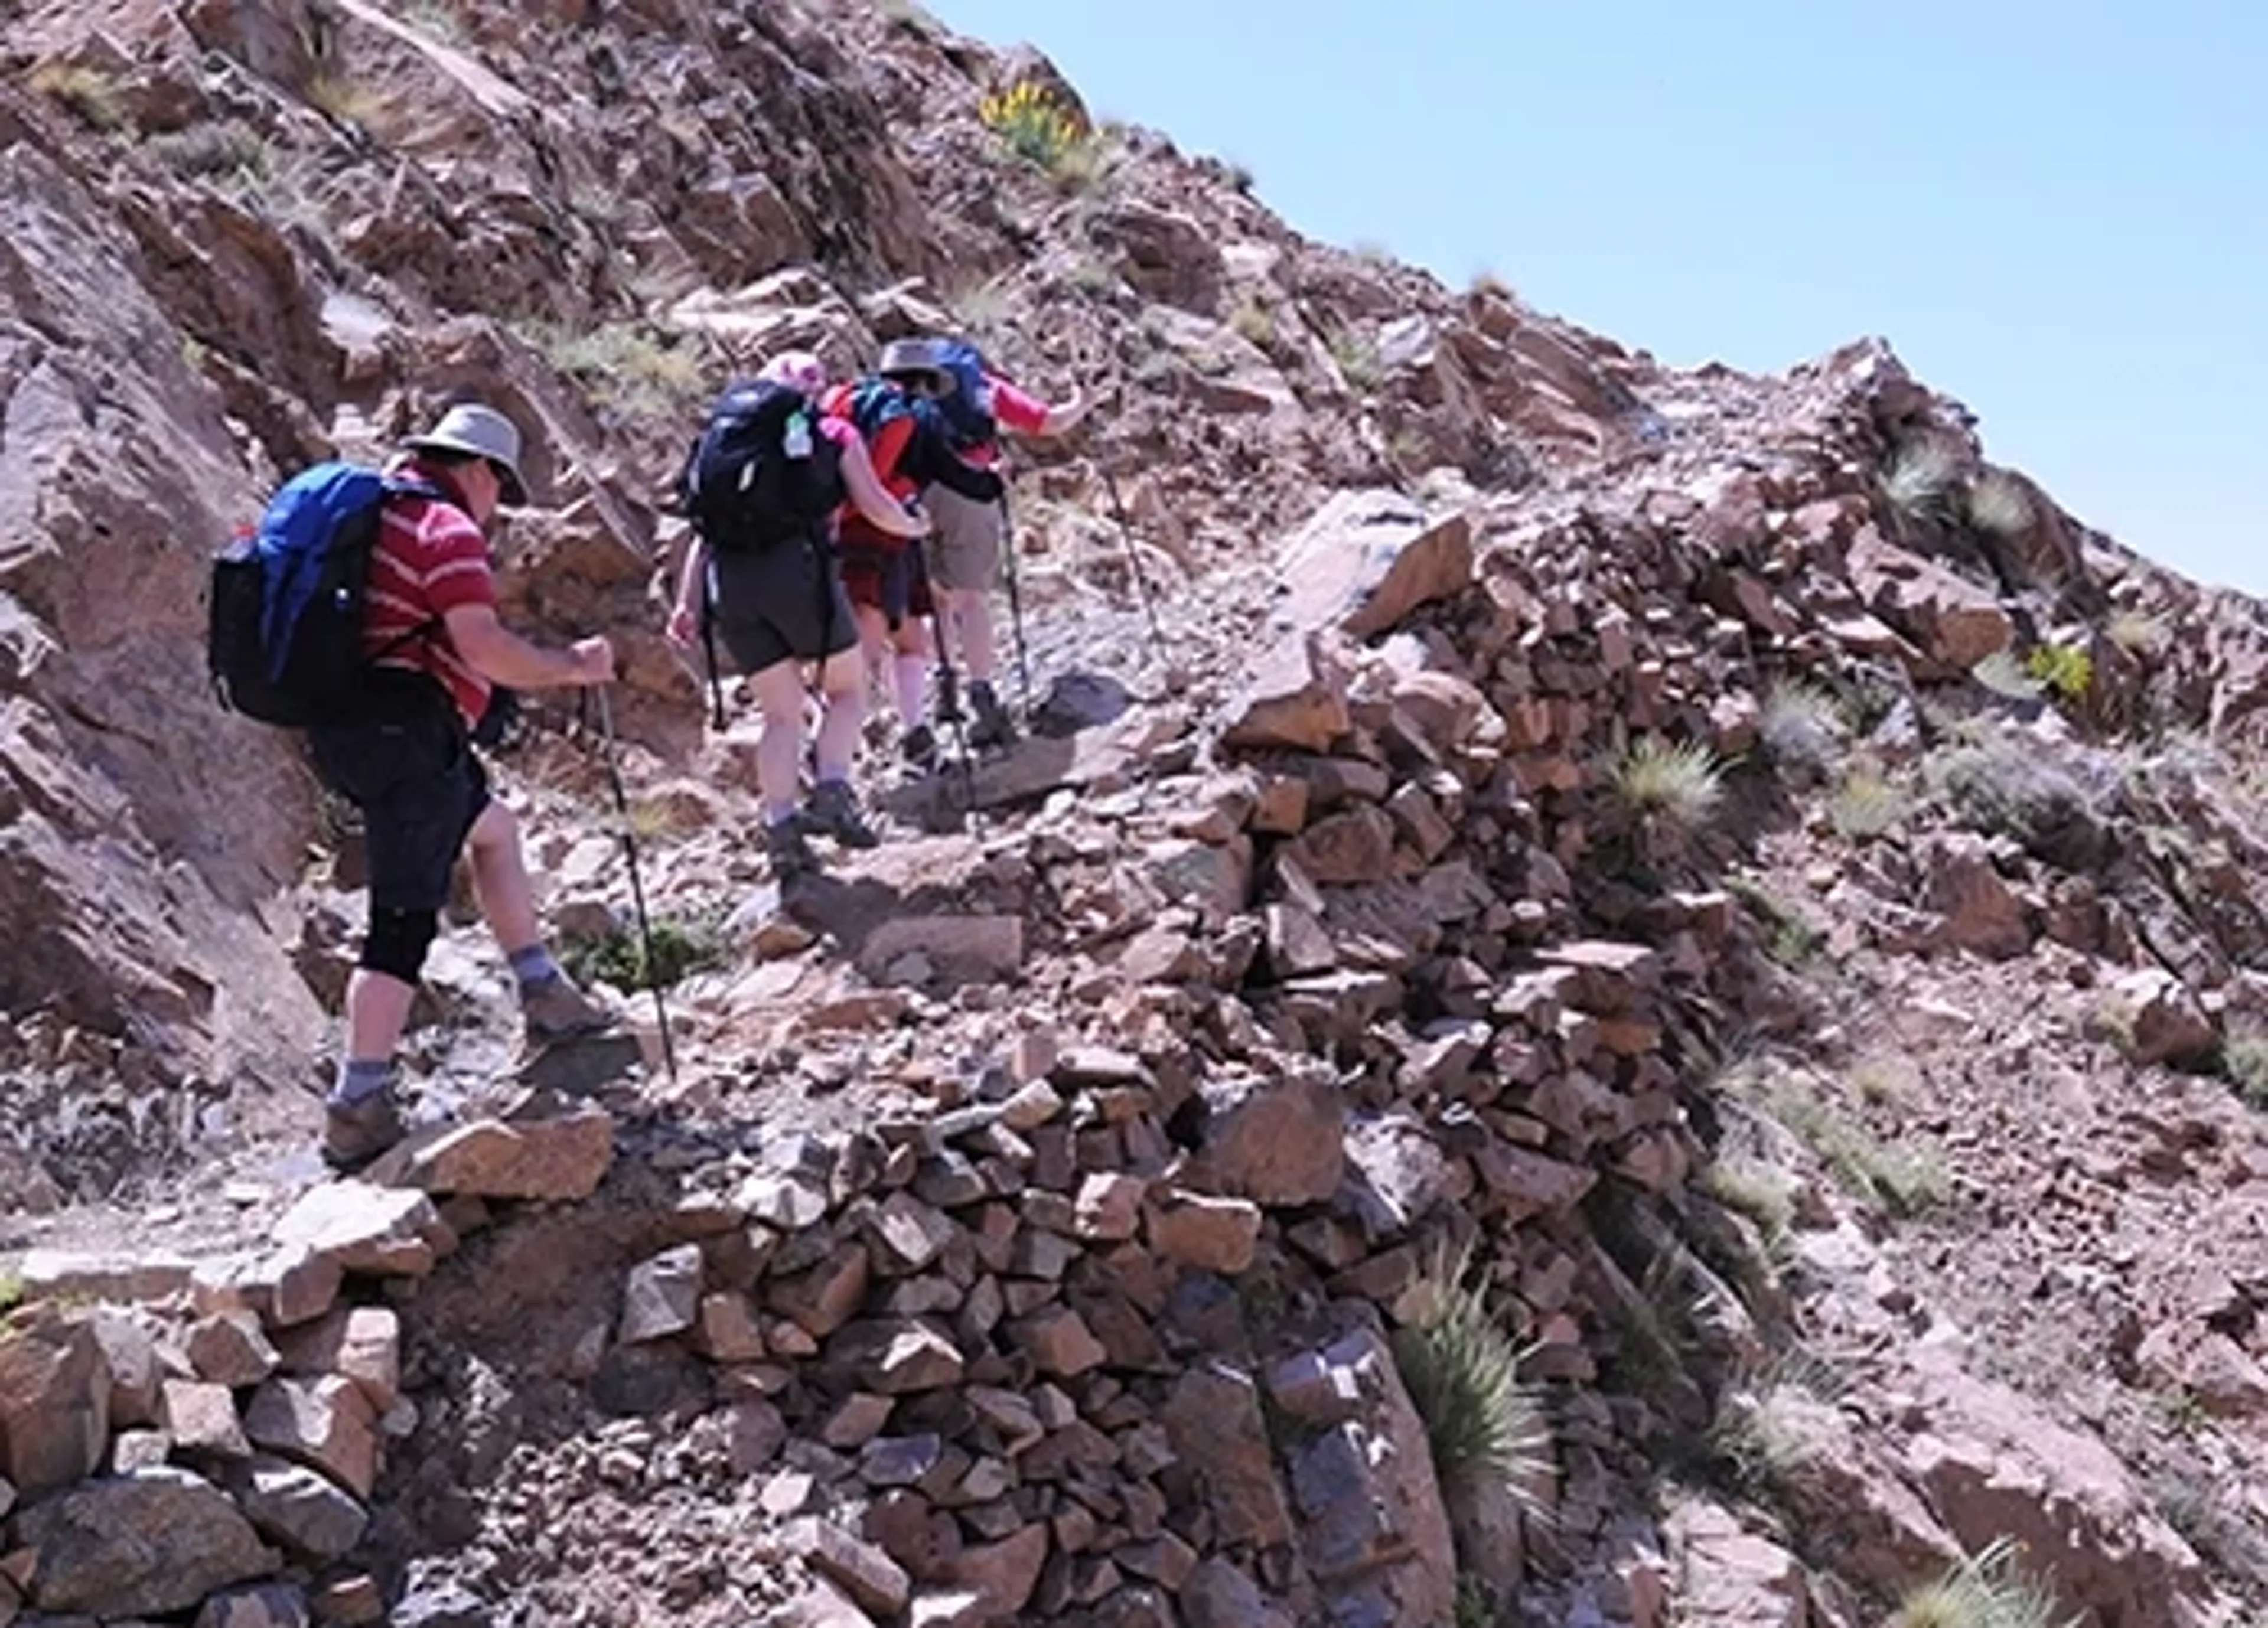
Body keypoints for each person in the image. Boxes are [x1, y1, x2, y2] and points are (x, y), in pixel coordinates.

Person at [308, 402, 618, 1171]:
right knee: (403, 922)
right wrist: (572, 665)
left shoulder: (377, 514)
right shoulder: (441, 532)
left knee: (494, 828)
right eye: (499, 489)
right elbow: (484, 649)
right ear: (477, 470)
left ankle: (543, 989)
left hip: (354, 724)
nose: (496, 508)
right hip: (405, 730)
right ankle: (358, 1102)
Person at [664, 350, 926, 875]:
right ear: (816, 392)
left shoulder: (725, 438)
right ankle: (832, 789)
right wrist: (915, 528)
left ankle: (781, 828)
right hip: (799, 573)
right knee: (849, 690)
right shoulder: (832, 432)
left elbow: (702, 533)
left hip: (732, 585)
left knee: (780, 715)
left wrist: (685, 604)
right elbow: (873, 505)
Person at [876, 337, 1089, 750]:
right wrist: (1082, 401)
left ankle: (943, 689)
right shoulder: (984, 385)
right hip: (970, 489)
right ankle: (982, 693)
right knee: (970, 600)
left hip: (909, 496)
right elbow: (1047, 422)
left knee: (933, 599)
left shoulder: (891, 392)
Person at [820, 356, 1008, 772]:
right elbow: (951, 471)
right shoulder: (916, 415)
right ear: (923, 381)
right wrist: (991, 481)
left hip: (836, 537)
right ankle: (833, 765)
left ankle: (911, 738)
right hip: (888, 535)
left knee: (876, 644)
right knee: (888, 647)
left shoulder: (849, 404)